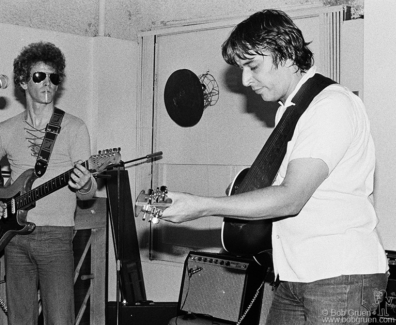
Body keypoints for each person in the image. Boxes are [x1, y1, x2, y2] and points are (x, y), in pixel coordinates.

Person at [160, 9, 388, 325]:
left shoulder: (330, 106)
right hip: (295, 275)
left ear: (285, 53)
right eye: (241, 69)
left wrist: (201, 206)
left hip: (340, 276)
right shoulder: (290, 112)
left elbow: (291, 197)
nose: (244, 80)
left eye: (252, 66)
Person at [0, 41, 97, 324]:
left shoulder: (74, 128)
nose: (48, 83)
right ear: (22, 81)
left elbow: (87, 194)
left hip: (57, 237)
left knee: (60, 319)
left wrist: (86, 184)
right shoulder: (5, 130)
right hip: (14, 237)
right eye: (40, 76)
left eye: (54, 77)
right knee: (19, 319)